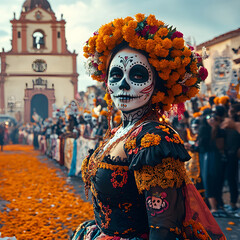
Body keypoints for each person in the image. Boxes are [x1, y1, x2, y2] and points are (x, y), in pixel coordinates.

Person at [73, 14, 225, 239]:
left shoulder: (154, 139)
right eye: (116, 74)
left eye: (137, 75)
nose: (123, 84)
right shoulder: (118, 132)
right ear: (107, 82)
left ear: (158, 85)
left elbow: (163, 229)